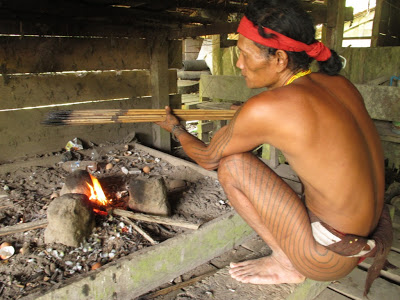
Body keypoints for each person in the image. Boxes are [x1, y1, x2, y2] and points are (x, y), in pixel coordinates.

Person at [155, 0, 392, 295]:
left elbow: (207, 158)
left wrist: (176, 129)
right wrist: (247, 115)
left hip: (327, 258)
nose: (239, 63)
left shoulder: (268, 108)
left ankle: (286, 263)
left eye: (243, 53)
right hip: (374, 232)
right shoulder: (338, 84)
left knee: (233, 165)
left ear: (279, 58)